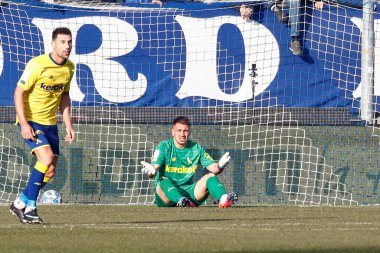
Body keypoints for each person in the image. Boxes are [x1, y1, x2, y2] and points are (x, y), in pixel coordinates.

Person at [10, 27, 75, 224]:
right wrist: (23, 123)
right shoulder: (38, 64)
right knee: (45, 157)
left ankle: (19, 202)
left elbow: (64, 97)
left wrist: (68, 125)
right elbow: (18, 92)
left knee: (51, 171)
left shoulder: (69, 67)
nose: (67, 46)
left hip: (50, 123)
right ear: (53, 44)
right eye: (63, 42)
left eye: (70, 42)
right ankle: (30, 207)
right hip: (31, 119)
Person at [141, 116, 238, 208]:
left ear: (189, 132)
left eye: (185, 131)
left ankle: (224, 198)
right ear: (173, 132)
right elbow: (155, 168)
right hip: (166, 197)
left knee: (210, 176)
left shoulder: (196, 148)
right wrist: (152, 171)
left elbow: (214, 168)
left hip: (188, 195)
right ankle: (180, 200)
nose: (182, 134)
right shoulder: (164, 146)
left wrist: (220, 166)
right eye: (179, 130)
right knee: (162, 180)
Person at [240, 0, 325, 56]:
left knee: (294, 1)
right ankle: (276, 9)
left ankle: (294, 40)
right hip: (272, 2)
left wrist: (317, 0)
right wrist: (246, 6)